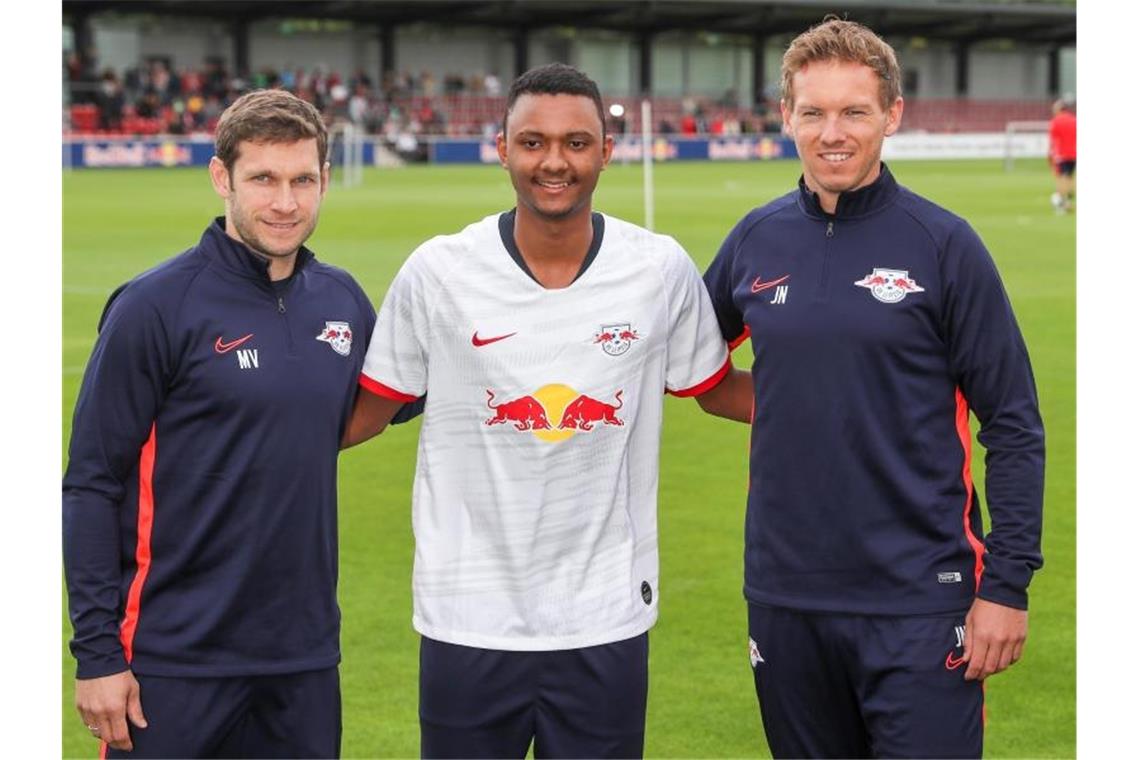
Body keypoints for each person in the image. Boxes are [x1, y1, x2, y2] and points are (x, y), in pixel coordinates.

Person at [343, 63, 740, 758]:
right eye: (532, 142)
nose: (554, 161)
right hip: (467, 620)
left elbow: (717, 389)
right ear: (501, 148)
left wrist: (871, 403)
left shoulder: (659, 269)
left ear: (606, 151)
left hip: (604, 620)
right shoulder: (439, 273)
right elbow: (364, 415)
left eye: (576, 143)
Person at [700, 19, 1046, 758]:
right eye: (814, 112)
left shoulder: (944, 245)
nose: (833, 133)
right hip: (786, 598)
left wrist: (1007, 585)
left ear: (891, 115)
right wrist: (798, 402)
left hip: (922, 598)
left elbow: (1013, 422)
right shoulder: (754, 240)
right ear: (786, 115)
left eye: (854, 111)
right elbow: (690, 368)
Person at [63, 88, 416, 757]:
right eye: (263, 179)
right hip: (172, 660)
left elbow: (406, 394)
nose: (286, 203)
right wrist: (98, 655)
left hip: (304, 660)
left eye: (302, 180)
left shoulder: (341, 300)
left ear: (325, 181)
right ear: (222, 177)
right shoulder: (155, 307)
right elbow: (90, 483)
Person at [1048, 96, 1077, 214]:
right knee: (1069, 176)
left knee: (1061, 178)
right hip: (1074, 153)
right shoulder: (1074, 120)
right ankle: (1068, 201)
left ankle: (1062, 203)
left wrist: (1050, 155)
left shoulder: (1056, 121)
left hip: (1062, 154)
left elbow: (1053, 140)